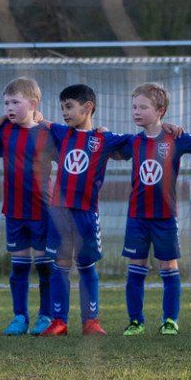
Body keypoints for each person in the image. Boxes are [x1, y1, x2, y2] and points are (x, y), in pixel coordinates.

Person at [42, 84, 123, 336]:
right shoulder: (61, 133)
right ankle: (59, 321)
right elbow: (37, 119)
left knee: (86, 265)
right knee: (60, 264)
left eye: (69, 107)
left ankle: (91, 322)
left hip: (86, 213)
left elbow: (140, 142)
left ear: (88, 107)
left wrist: (167, 128)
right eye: (62, 108)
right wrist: (3, 118)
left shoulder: (104, 139)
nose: (64, 112)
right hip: (59, 211)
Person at [113, 83, 187, 337]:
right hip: (137, 217)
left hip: (165, 216)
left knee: (169, 267)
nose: (136, 111)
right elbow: (101, 143)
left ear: (160, 111)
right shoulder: (132, 142)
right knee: (136, 268)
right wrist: (100, 131)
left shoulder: (175, 138)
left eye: (143, 107)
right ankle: (136, 321)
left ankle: (170, 320)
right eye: (134, 107)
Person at [0, 77, 53, 334]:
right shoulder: (4, 130)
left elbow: (73, 146)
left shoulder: (47, 133)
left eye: (15, 102)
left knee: (45, 267)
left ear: (33, 104)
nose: (9, 108)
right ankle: (20, 317)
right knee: (19, 267)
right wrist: (2, 119)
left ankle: (46, 316)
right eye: (6, 103)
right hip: (14, 210)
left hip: (42, 211)